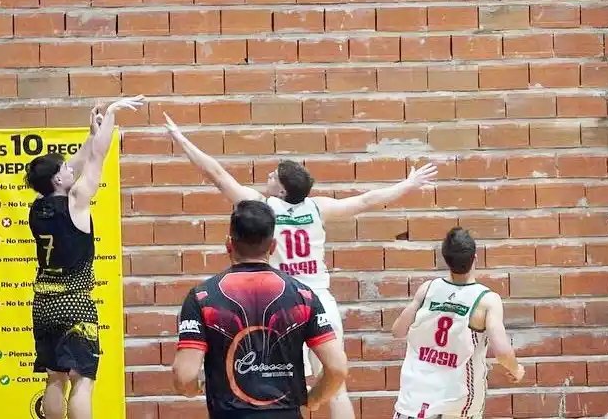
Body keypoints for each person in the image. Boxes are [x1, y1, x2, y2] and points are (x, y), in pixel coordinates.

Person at [162, 113, 437, 419]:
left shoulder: (264, 207)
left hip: (283, 300)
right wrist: (408, 184)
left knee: (280, 383)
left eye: (272, 176)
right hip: (319, 298)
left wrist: (182, 140)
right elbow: (367, 201)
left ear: (281, 191)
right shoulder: (318, 207)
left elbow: (217, 174)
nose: (267, 177)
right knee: (337, 385)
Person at [23, 95, 145, 419]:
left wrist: (90, 135)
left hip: (44, 304)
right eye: (64, 169)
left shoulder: (38, 208)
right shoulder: (76, 201)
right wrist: (112, 116)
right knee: (82, 381)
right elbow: (96, 160)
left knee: (54, 377)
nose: (70, 169)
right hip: (74, 303)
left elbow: (76, 164)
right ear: (59, 180)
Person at [171, 199, 350, 419]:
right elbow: (338, 368)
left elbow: (184, 376)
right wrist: (313, 399)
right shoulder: (303, 295)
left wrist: (193, 389)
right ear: (273, 246)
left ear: (229, 244)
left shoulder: (202, 297)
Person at [390, 227, 525, 419]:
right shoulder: (486, 300)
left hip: (413, 400)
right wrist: (516, 370)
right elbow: (503, 352)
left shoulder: (427, 289)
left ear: (446, 259)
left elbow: (398, 330)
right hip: (457, 404)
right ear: (474, 258)